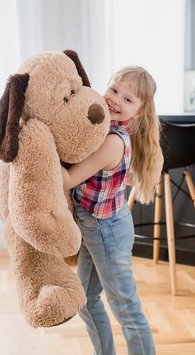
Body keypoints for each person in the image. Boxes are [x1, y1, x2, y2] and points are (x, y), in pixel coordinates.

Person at [62, 66, 164, 355]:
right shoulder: (103, 128)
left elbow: (68, 179)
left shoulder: (112, 141)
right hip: (101, 226)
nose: (116, 100)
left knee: (126, 309)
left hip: (106, 230)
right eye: (114, 90)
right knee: (86, 298)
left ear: (139, 112)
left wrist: (38, 157)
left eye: (128, 100)